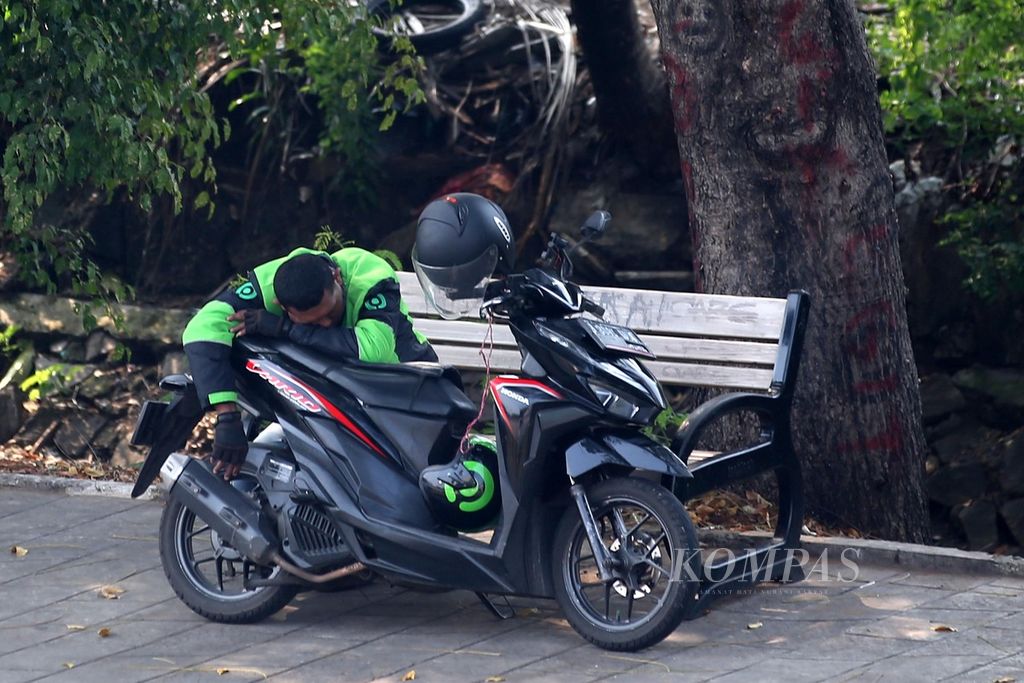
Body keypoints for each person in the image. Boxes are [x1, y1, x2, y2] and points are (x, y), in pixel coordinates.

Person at [183, 246, 437, 479]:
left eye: (330, 312)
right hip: (332, 398)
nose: (326, 323)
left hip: (405, 388)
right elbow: (203, 327)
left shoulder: (369, 275)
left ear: (337, 278)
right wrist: (227, 418)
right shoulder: (271, 284)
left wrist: (286, 328)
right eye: (313, 321)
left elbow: (371, 351)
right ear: (280, 305)